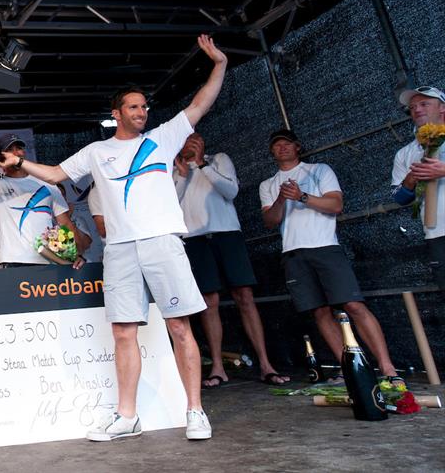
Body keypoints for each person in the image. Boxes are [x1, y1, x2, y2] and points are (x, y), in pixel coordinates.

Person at [0, 34, 228, 441]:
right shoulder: (96, 151)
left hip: (162, 243)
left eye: (144, 106)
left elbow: (200, 103)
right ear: (117, 113)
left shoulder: (163, 137)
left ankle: (195, 411)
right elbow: (54, 174)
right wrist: (20, 162)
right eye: (134, 107)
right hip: (120, 250)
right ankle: (127, 416)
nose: (142, 111)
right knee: (123, 332)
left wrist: (220, 64)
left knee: (179, 327)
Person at [260, 129, 400, 383]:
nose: (282, 148)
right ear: (271, 151)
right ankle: (350, 369)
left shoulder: (319, 170)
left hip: (325, 246)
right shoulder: (267, 184)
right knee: (320, 312)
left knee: (354, 305)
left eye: (287, 144)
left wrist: (301, 196)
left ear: (298, 146)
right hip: (293, 253)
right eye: (277, 145)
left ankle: (387, 367)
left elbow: (336, 205)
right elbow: (270, 221)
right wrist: (282, 198)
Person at [174, 133, 288, 387]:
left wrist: (202, 163)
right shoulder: (172, 171)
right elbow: (169, 206)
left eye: (193, 139)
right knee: (209, 301)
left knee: (244, 296)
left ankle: (266, 364)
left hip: (227, 234)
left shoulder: (219, 159)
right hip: (194, 239)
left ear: (202, 142)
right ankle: (217, 366)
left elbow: (231, 191)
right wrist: (182, 175)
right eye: (183, 141)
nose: (188, 144)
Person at [0, 131, 86, 268]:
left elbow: (66, 224)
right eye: (9, 150)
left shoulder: (47, 182)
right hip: (13, 261)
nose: (15, 153)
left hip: (49, 260)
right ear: (1, 155)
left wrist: (77, 254)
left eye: (19, 148)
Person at [391, 86, 445, 290]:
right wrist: (411, 179)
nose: (417, 109)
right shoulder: (406, 153)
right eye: (412, 107)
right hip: (437, 235)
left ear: (442, 108)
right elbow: (399, 197)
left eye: (424, 104)